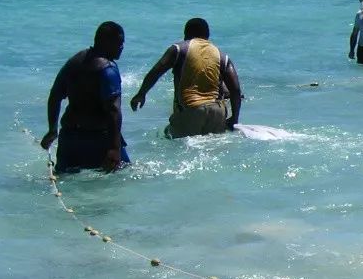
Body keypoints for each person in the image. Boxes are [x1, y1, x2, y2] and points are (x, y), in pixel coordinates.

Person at [40, 21, 130, 173]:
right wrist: (114, 148)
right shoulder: (108, 69)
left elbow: (55, 95)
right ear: (105, 42)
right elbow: (113, 110)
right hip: (98, 139)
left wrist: (52, 129)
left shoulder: (74, 62)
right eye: (119, 42)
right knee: (125, 175)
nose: (122, 47)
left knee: (66, 183)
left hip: (69, 139)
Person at [129, 17, 241, 137]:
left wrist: (141, 93)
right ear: (207, 35)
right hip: (217, 112)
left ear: (186, 34)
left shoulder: (179, 49)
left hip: (191, 110)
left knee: (166, 136)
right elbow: (235, 90)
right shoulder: (222, 56)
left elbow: (156, 71)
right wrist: (234, 118)